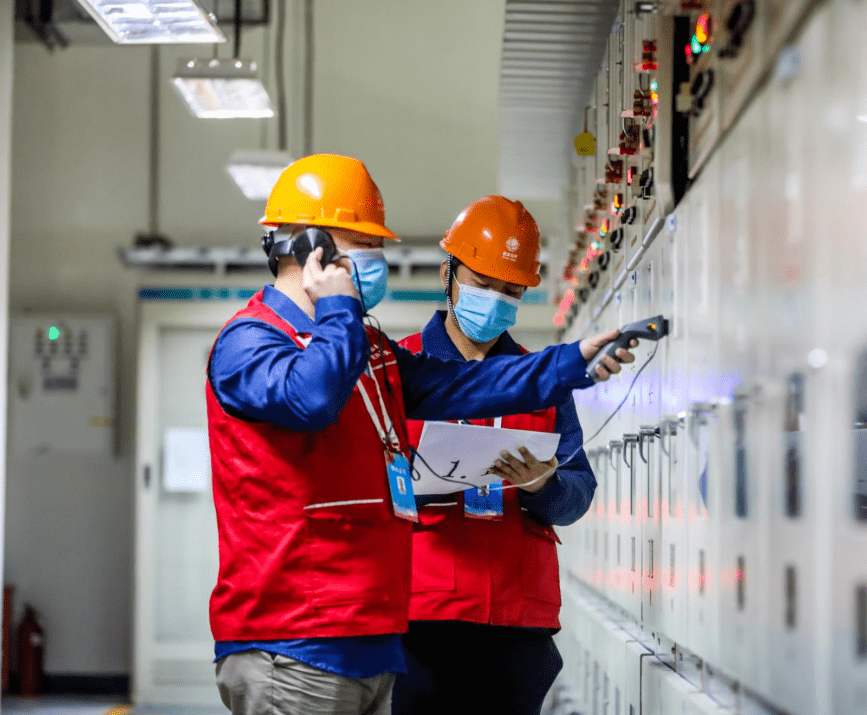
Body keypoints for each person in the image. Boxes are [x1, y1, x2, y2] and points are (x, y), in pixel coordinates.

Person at [207, 155, 633, 715]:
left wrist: (575, 360)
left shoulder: (370, 352)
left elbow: (473, 384)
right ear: (312, 246)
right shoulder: (251, 342)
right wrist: (340, 307)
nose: (378, 261)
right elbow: (311, 397)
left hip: (367, 634)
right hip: (295, 636)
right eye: (363, 244)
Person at [392, 196, 595, 715]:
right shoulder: (401, 368)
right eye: (481, 282)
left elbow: (576, 497)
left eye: (509, 290)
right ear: (448, 274)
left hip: (516, 623)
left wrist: (542, 485)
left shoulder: (543, 380)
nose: (494, 299)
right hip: (421, 618)